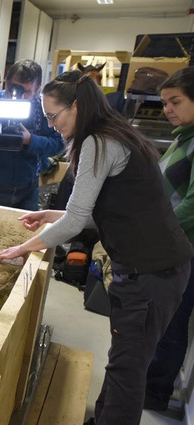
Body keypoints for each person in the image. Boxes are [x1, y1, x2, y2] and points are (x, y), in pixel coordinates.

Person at [0, 70, 193, 425]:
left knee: (128, 368)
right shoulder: (111, 134)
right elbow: (97, 211)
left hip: (150, 273)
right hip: (151, 269)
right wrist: (50, 213)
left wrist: (22, 248)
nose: (52, 125)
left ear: (76, 106)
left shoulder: (99, 143)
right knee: (123, 360)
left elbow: (74, 222)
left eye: (54, 116)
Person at [144, 66, 194, 412]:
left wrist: (156, 234)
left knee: (172, 321)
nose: (167, 110)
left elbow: (192, 205)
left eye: (175, 101)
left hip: (182, 251)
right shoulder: (183, 137)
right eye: (163, 103)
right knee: (161, 320)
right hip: (167, 244)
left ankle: (156, 393)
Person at [0, 59, 64, 210]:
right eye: (13, 88)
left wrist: (31, 140)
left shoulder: (44, 109)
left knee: (23, 234)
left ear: (38, 87)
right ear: (6, 81)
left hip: (27, 191)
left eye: (26, 92)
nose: (19, 96)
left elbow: (59, 144)